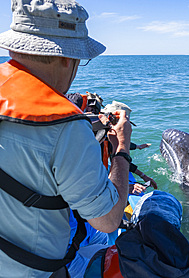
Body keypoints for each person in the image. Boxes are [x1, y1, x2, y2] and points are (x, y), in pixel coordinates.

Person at [0, 1, 131, 277]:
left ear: (14, 46)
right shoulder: (66, 129)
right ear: (67, 59)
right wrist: (121, 149)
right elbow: (108, 220)